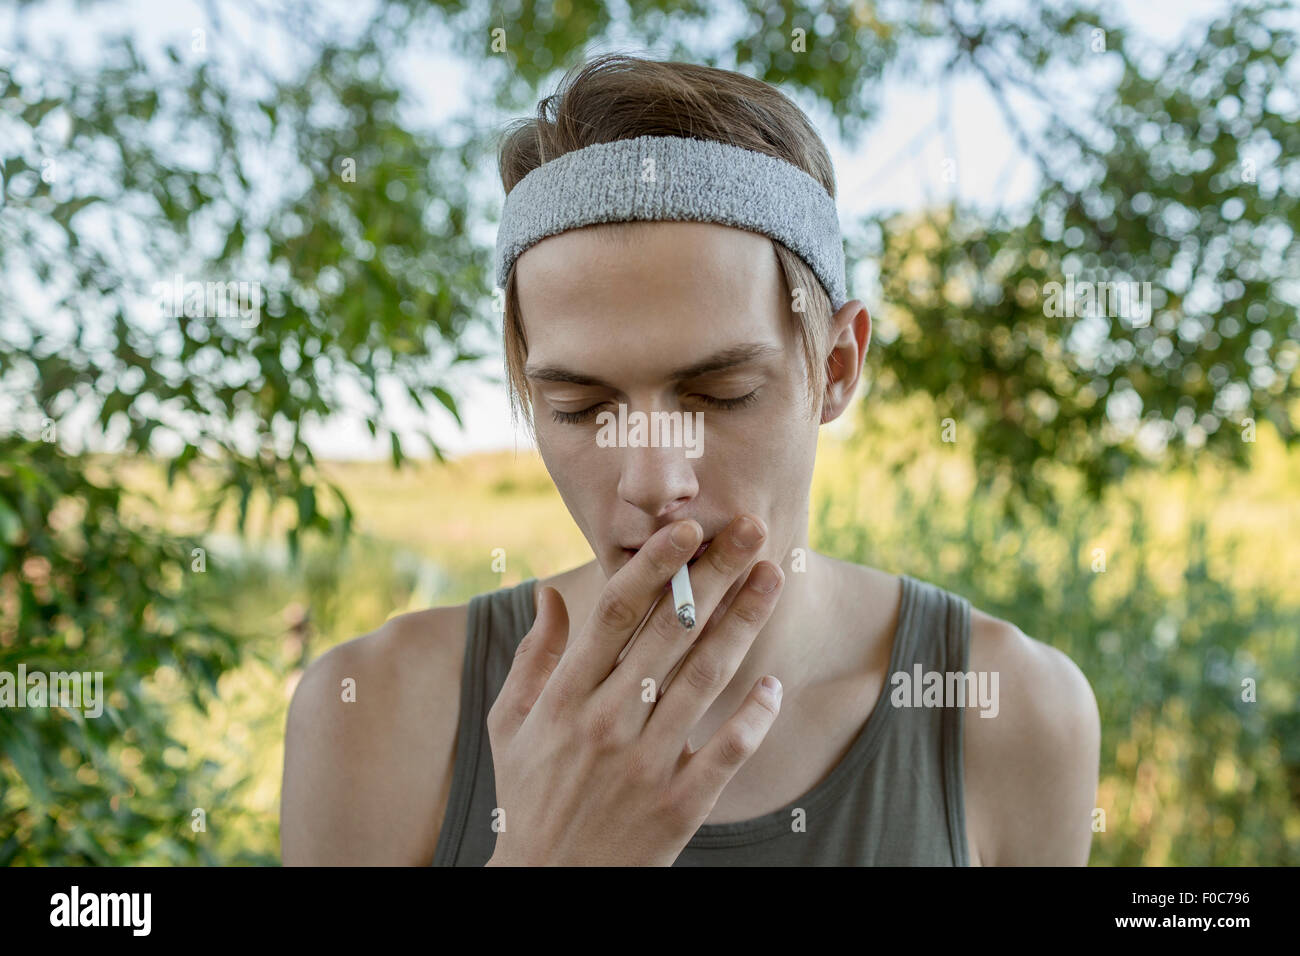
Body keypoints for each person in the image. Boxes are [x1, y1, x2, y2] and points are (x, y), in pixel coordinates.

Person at [280, 53, 1100, 866]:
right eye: (581, 408)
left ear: (838, 369)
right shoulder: (374, 713)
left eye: (719, 393)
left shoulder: (1014, 711)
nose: (652, 483)